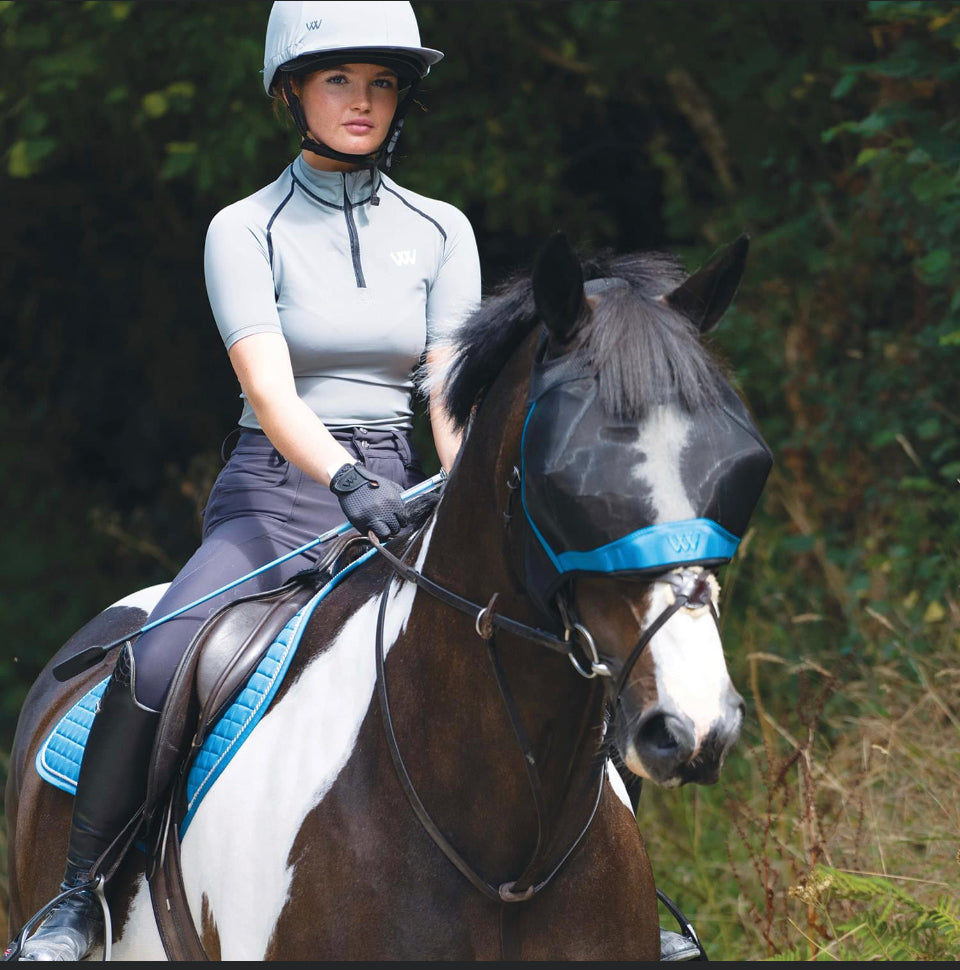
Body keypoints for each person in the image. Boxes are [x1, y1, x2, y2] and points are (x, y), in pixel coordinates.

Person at [17, 1, 480, 960]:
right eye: (338, 79)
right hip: (275, 498)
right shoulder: (246, 227)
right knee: (157, 657)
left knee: (549, 632)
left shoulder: (442, 231)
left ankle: (619, 892)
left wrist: (465, 482)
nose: (363, 101)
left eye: (382, 82)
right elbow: (270, 393)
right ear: (291, 93)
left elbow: (448, 398)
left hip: (406, 491)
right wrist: (348, 479)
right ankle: (78, 897)